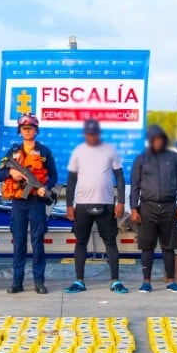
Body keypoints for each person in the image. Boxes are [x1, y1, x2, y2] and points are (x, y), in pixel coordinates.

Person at [64, 119, 128, 294]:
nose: (92, 137)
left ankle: (115, 280)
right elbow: (71, 181)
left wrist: (121, 201)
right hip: (83, 205)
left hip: (106, 204)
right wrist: (69, 205)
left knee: (110, 242)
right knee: (81, 242)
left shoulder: (110, 150)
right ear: (85, 134)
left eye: (95, 133)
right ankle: (79, 281)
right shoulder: (78, 152)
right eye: (89, 134)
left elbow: (120, 178)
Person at [0, 113, 58, 294]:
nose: (27, 131)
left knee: (38, 242)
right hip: (18, 203)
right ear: (20, 131)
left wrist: (44, 188)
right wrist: (11, 174)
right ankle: (17, 282)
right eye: (24, 128)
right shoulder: (12, 153)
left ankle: (39, 282)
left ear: (36, 130)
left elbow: (53, 175)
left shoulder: (44, 152)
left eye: (30, 128)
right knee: (19, 242)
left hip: (37, 202)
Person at [128, 123, 177, 293]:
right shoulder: (141, 159)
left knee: (169, 246)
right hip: (147, 207)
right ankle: (146, 282)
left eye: (160, 139)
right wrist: (133, 208)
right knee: (147, 246)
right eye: (154, 139)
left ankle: (171, 281)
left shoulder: (175, 158)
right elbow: (135, 185)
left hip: (170, 207)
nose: (157, 142)